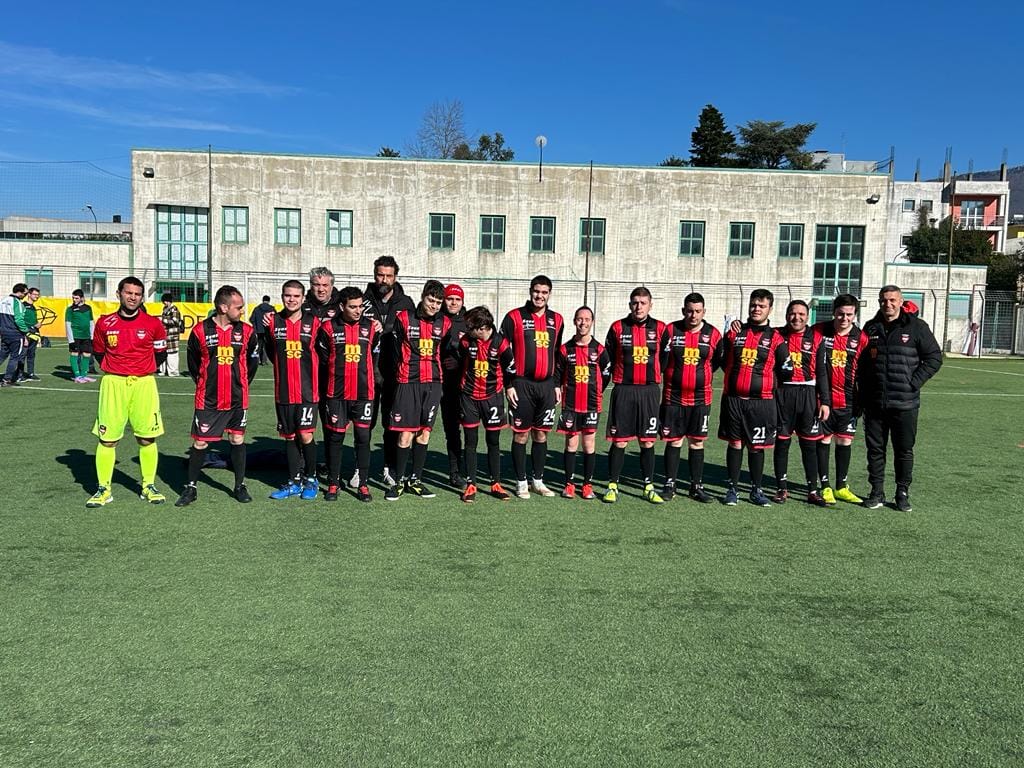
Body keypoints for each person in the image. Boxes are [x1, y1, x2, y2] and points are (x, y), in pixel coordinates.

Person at [86, 276, 169, 507]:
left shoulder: (153, 324)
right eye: (128, 292)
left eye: (137, 294)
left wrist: (141, 369)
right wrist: (118, 370)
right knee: (107, 439)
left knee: (146, 437)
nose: (133, 297)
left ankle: (148, 486)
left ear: (142, 298)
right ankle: (103, 489)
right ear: (119, 294)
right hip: (113, 384)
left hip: (144, 384)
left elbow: (160, 354)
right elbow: (99, 352)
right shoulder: (105, 323)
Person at [859, 285, 942, 512]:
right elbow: (863, 365)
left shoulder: (916, 327)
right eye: (884, 300)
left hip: (905, 403)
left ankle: (902, 492)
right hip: (875, 403)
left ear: (900, 301)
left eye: (892, 300)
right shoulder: (871, 327)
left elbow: (934, 357)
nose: (888, 304)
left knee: (903, 450)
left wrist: (913, 383)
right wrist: (863, 396)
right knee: (875, 450)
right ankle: (876, 492)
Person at [174, 285, 259, 506]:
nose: (242, 311)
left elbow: (252, 363)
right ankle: (191, 488)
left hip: (237, 399)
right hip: (208, 399)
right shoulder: (200, 331)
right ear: (223, 307)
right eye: (238, 307)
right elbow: (193, 364)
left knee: (237, 439)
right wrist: (206, 384)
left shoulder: (247, 332)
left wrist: (240, 383)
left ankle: (239, 485)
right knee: (201, 442)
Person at [718, 289, 791, 507]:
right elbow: (722, 360)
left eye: (761, 306)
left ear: (770, 309)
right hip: (733, 399)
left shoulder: (776, 338)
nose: (756, 309)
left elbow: (787, 370)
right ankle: (732, 489)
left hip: (762, 402)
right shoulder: (735, 332)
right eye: (753, 305)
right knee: (735, 443)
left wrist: (766, 382)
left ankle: (756, 490)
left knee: (756, 446)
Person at [385, 280, 452, 501]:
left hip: (433, 383)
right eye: (431, 300)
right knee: (405, 433)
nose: (434, 306)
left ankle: (415, 480)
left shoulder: (445, 323)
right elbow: (393, 351)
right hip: (408, 382)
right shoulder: (404, 318)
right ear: (422, 297)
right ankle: (399, 481)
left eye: (438, 303)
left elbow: (445, 351)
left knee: (424, 432)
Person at [501, 275, 565, 498]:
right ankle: (521, 482)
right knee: (521, 435)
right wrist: (508, 384)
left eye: (544, 292)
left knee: (541, 435)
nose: (540, 296)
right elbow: (502, 351)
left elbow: (557, 354)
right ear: (530, 291)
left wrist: (556, 384)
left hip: (546, 387)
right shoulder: (514, 317)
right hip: (521, 385)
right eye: (537, 291)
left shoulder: (557, 320)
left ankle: (537, 481)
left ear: (549, 294)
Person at [603, 286, 668, 504]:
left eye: (643, 303)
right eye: (635, 303)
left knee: (647, 441)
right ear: (629, 304)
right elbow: (609, 358)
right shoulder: (617, 327)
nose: (638, 307)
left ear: (650, 305)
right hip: (624, 390)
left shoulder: (661, 329)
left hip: (649, 391)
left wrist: (653, 376)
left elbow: (666, 359)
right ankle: (613, 485)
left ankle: (648, 486)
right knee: (620, 441)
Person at [314, 286, 379, 502]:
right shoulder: (328, 328)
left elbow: (374, 355)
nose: (358, 310)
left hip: (364, 394)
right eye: (353, 307)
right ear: (342, 307)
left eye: (360, 306)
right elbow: (324, 360)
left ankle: (363, 484)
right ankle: (334, 483)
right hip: (336, 394)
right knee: (335, 438)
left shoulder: (371, 327)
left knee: (363, 437)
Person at [658, 292, 723, 503]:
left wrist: (700, 377)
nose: (693, 315)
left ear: (704, 312)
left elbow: (716, 361)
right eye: (689, 311)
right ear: (683, 311)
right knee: (674, 441)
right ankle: (670, 484)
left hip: (701, 399)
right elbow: (662, 359)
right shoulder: (671, 330)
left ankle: (696, 486)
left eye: (697, 311)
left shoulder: (713, 334)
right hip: (673, 397)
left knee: (696, 442)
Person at [361, 256, 416, 487]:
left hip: (395, 373)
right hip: (366, 373)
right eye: (380, 275)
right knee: (365, 424)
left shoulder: (406, 303)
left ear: (395, 277)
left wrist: (387, 328)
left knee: (392, 423)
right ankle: (360, 469)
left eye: (388, 276)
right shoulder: (362, 301)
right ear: (374, 275)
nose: (384, 280)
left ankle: (389, 467)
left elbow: (413, 333)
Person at [265, 280, 322, 500]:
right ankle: (294, 481)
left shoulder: (314, 323)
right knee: (289, 437)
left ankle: (311, 479)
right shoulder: (273, 322)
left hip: (308, 391)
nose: (292, 299)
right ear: (282, 297)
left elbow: (322, 354)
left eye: (296, 296)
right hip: (284, 391)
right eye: (288, 295)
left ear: (303, 298)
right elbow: (271, 352)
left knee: (306, 435)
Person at [770, 300, 829, 507]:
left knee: (809, 444)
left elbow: (822, 372)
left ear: (807, 315)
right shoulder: (776, 335)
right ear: (787, 315)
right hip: (783, 393)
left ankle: (812, 490)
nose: (797, 317)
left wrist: (825, 401)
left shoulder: (816, 338)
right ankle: (781, 488)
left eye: (801, 314)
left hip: (808, 395)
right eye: (793, 313)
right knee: (782, 442)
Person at [815, 294, 871, 506]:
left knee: (845, 440)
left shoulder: (861, 338)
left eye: (849, 314)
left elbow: (866, 372)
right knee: (824, 439)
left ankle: (841, 486)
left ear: (855, 315)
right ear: (833, 312)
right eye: (840, 314)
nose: (844, 318)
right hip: (824, 401)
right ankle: (825, 486)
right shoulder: (819, 331)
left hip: (849, 400)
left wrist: (862, 399)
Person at [457, 305, 516, 503]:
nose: (467, 330)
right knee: (470, 441)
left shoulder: (501, 343)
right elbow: (460, 363)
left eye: (471, 327)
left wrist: (509, 387)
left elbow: (510, 369)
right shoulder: (466, 342)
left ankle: (495, 483)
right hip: (469, 397)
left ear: (482, 328)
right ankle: (471, 484)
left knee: (493, 441)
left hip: (492, 398)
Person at [555, 306, 610, 500]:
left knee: (588, 444)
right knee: (571, 443)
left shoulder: (599, 350)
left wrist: (597, 391)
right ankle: (569, 484)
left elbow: (607, 373)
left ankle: (587, 484)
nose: (583, 323)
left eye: (587, 319)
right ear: (574, 321)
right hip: (570, 404)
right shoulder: (565, 349)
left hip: (591, 404)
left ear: (592, 322)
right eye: (579, 319)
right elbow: (558, 372)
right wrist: (557, 388)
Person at [440, 283, 468, 489]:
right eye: (450, 298)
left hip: (459, 386)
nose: (453, 303)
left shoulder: (468, 322)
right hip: (434, 382)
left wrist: (459, 361)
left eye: (457, 299)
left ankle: (456, 471)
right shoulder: (435, 319)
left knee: (456, 429)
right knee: (421, 427)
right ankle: (413, 471)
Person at [0, 283, 29, 388]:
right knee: (15, 357)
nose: (25, 296)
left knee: (2, 355)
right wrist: (26, 331)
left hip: (4, 333)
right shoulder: (18, 303)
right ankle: (7, 380)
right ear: (20, 292)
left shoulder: (3, 300)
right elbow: (19, 320)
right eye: (25, 293)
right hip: (15, 334)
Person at [65, 289, 96, 383]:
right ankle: (77, 376)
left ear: (82, 298)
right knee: (74, 354)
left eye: (76, 298)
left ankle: (84, 375)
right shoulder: (70, 309)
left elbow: (91, 322)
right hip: (75, 336)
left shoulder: (88, 308)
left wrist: (92, 336)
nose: (74, 300)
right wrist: (71, 340)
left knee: (87, 355)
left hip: (86, 336)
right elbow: (68, 324)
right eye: (73, 298)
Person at [15, 287, 42, 382]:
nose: (36, 296)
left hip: (34, 333)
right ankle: (19, 374)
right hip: (26, 333)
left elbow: (32, 320)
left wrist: (37, 326)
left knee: (31, 354)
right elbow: (21, 320)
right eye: (35, 294)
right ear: (29, 294)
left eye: (38, 295)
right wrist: (25, 333)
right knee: (22, 354)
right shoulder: (23, 305)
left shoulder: (33, 307)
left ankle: (31, 373)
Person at [159, 293, 184, 377]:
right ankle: (164, 370)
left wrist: (163, 320)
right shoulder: (165, 309)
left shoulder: (174, 309)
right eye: (163, 302)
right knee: (164, 352)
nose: (164, 303)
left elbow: (175, 321)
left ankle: (173, 371)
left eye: (165, 301)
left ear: (169, 301)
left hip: (173, 334)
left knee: (172, 353)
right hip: (165, 334)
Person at [248, 295, 274, 365]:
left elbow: (251, 319)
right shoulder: (271, 309)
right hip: (268, 330)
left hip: (259, 331)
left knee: (259, 345)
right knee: (268, 345)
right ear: (269, 301)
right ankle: (266, 360)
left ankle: (258, 360)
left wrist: (256, 327)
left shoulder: (257, 309)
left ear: (262, 300)